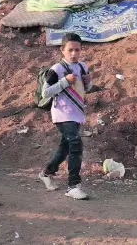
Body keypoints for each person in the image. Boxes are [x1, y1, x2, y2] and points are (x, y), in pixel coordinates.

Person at [39, 33, 93, 200]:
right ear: (62, 50)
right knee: (75, 143)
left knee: (66, 147)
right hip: (62, 113)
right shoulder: (57, 69)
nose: (74, 53)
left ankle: (47, 172)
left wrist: (88, 81)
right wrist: (65, 81)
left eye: (77, 50)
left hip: (76, 112)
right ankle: (73, 185)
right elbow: (45, 92)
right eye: (70, 50)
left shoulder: (83, 66)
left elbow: (87, 88)